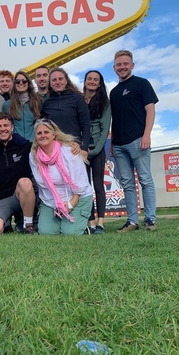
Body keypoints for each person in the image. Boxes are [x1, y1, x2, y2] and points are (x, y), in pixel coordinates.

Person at [110, 50, 159, 232]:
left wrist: (147, 134)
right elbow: (115, 119)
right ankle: (132, 221)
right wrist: (113, 143)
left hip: (138, 140)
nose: (122, 67)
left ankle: (150, 220)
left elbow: (150, 110)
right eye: (119, 65)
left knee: (145, 180)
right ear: (114, 68)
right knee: (127, 184)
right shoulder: (114, 93)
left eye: (125, 64)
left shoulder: (141, 84)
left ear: (132, 65)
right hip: (120, 145)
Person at [29, 119, 93, 235]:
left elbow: (81, 181)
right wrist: (57, 203)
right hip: (51, 201)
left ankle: (82, 227)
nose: (43, 135)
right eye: (39, 133)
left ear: (54, 134)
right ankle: (58, 223)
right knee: (46, 233)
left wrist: (70, 204)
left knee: (70, 234)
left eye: (46, 132)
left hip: (77, 197)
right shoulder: (33, 156)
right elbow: (42, 184)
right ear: (36, 137)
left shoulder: (69, 151)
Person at [0, 112, 36, 235]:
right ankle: (5, 224)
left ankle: (27, 226)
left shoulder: (26, 147)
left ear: (12, 127)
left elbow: (48, 144)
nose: (3, 129)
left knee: (25, 182)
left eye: (6, 125)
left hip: (20, 195)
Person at [83, 71, 111, 234]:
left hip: (97, 150)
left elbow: (104, 129)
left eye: (96, 80)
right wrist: (82, 148)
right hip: (81, 149)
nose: (92, 82)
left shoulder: (105, 102)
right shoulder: (78, 99)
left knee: (98, 185)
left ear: (100, 84)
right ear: (85, 81)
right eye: (89, 79)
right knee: (85, 187)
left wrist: (95, 151)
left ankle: (100, 223)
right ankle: (90, 222)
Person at [42, 67, 90, 160]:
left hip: (74, 148)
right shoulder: (47, 103)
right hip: (54, 149)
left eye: (60, 79)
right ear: (50, 84)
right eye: (54, 80)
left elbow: (86, 124)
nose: (57, 82)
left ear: (66, 81)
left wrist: (84, 147)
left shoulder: (77, 98)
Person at [2, 70, 42, 141]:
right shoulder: (7, 105)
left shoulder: (37, 102)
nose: (21, 83)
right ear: (14, 84)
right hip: (15, 145)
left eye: (24, 81)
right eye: (17, 81)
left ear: (28, 83)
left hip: (34, 144)